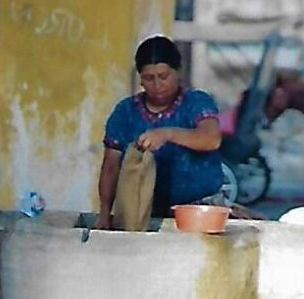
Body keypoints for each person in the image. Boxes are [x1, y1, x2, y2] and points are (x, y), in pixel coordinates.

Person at [96, 35, 224, 229]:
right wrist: (105, 213)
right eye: (149, 78)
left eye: (163, 76)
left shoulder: (196, 102)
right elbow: (110, 167)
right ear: (140, 79)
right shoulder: (125, 113)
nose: (157, 85)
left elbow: (211, 139)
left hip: (200, 211)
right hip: (144, 212)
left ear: (177, 72)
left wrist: (168, 134)